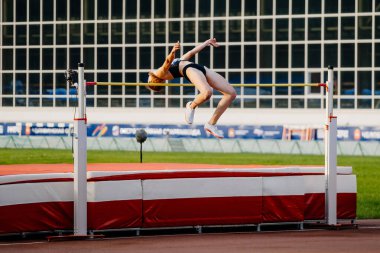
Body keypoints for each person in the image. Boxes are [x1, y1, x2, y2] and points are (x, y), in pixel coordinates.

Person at [147, 38, 236, 139]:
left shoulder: (172, 65)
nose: (148, 76)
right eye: (149, 79)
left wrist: (207, 43)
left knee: (231, 94)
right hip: (189, 70)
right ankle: (191, 106)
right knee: (207, 93)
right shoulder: (159, 74)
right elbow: (166, 63)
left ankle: (211, 124)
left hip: (200, 68)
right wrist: (172, 51)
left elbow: (191, 52)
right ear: (155, 81)